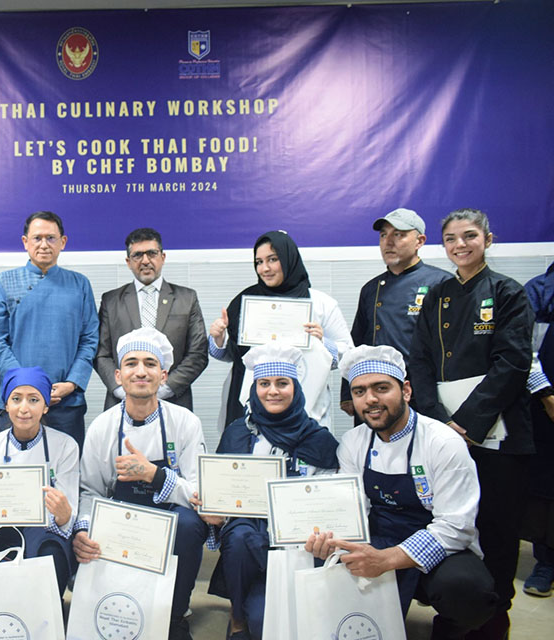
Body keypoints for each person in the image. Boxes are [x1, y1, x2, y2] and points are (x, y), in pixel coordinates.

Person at [308, 345, 497, 638]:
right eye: (359, 391)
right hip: (378, 535)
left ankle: (451, 629)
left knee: (465, 589)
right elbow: (351, 510)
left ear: (406, 391)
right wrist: (333, 539)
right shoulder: (353, 442)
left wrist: (387, 559)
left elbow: (456, 527)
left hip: (438, 545)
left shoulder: (443, 443)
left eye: (381, 388)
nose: (370, 399)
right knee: (315, 561)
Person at [409, 209, 534, 639]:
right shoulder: (437, 295)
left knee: (497, 531)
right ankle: (455, 615)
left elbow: (512, 363)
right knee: (453, 525)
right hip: (445, 434)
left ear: (488, 239)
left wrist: (466, 422)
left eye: (469, 236)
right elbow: (420, 361)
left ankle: (493, 620)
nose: (459, 245)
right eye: (451, 238)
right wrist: (439, 422)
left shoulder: (507, 292)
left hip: (497, 437)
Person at [74, 328, 208, 640]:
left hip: (171, 520)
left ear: (163, 375)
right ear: (118, 376)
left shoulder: (185, 422)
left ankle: (174, 615)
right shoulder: (102, 426)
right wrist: (83, 530)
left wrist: (154, 475)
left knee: (190, 525)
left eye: (150, 364)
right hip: (121, 520)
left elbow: (199, 493)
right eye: (131, 363)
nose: (141, 372)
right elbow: (90, 490)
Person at [206, 343, 339, 640]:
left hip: (299, 543)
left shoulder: (319, 439)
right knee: (240, 537)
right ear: (254, 389)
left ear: (296, 388)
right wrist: (213, 508)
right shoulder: (237, 432)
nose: (273, 391)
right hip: (249, 538)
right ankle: (237, 615)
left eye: (282, 383)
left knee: (271, 622)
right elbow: (220, 489)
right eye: (264, 384)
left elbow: (330, 497)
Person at [0, 366, 80, 595]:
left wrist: (63, 514)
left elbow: (67, 518)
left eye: (34, 400)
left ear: (46, 406)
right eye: (16, 399)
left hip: (46, 535)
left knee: (50, 556)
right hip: (1, 534)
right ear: (6, 405)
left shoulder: (65, 446)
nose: (24, 408)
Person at [209, 230, 353, 429]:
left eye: (273, 259)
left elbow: (348, 357)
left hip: (306, 407)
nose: (265, 268)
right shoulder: (245, 301)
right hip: (251, 407)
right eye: (259, 262)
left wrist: (322, 343)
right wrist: (219, 339)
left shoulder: (321, 303)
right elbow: (231, 355)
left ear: (288, 259)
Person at [0, 211, 99, 450]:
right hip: (18, 400)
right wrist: (26, 384)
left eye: (51, 238)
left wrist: (72, 383)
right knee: (15, 469)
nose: (44, 245)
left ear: (63, 242)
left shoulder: (80, 284)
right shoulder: (5, 282)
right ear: (25, 242)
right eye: (37, 238)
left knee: (66, 466)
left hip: (66, 401)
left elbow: (89, 339)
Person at [340, 208, 451, 417]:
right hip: (375, 392)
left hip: (424, 393)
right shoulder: (371, 288)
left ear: (420, 241)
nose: (388, 242)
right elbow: (356, 343)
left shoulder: (441, 283)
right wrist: (347, 392)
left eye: (399, 235)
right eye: (384, 235)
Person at [95, 227, 208, 411]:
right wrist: (123, 390)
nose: (145, 260)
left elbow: (198, 354)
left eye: (152, 253)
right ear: (128, 262)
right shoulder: (111, 300)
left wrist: (162, 389)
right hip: (121, 402)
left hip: (173, 402)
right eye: (137, 255)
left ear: (162, 257)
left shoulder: (187, 298)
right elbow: (101, 354)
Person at [520, 263, 554, 597]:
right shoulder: (539, 289)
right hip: (547, 403)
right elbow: (524, 349)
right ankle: (546, 561)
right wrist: (546, 395)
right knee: (546, 485)